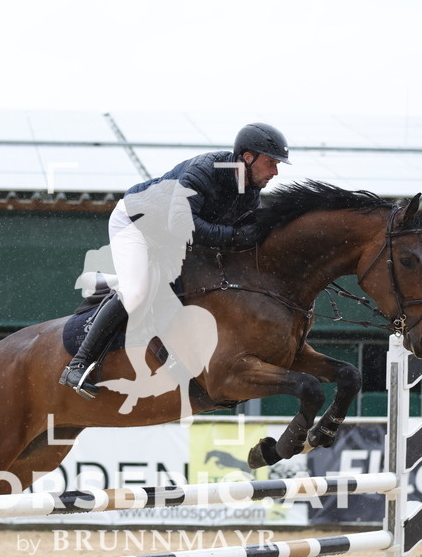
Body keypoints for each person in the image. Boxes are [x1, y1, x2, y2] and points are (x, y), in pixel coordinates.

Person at [59, 122, 291, 399]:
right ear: (247, 157)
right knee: (136, 293)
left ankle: (112, 284)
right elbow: (186, 226)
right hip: (135, 225)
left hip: (170, 238)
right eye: (270, 163)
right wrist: (237, 237)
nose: (275, 172)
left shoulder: (249, 188)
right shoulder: (204, 171)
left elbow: (244, 234)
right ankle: (78, 366)